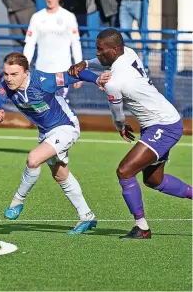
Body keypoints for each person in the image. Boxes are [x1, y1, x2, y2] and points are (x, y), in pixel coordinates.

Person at [68, 28, 192, 239]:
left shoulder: (115, 83)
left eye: (100, 50)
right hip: (160, 121)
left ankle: (142, 227)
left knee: (125, 171)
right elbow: (105, 62)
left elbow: (117, 115)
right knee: (154, 180)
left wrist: (121, 127)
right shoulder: (129, 53)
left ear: (115, 50)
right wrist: (86, 63)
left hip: (163, 125)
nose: (97, 54)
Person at [0, 52, 106, 234]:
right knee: (60, 175)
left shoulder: (42, 80)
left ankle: (17, 201)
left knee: (33, 159)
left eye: (14, 74)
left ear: (26, 72)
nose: (9, 79)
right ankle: (86, 216)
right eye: (6, 74)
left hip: (66, 126)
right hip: (46, 133)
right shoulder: (5, 86)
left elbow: (74, 74)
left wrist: (97, 80)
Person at [23, 0, 83, 102]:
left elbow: (76, 44)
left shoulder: (69, 17)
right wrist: (23, 66)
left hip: (62, 70)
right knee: (42, 105)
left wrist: (79, 70)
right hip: (42, 69)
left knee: (59, 102)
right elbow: (29, 44)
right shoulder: (37, 17)